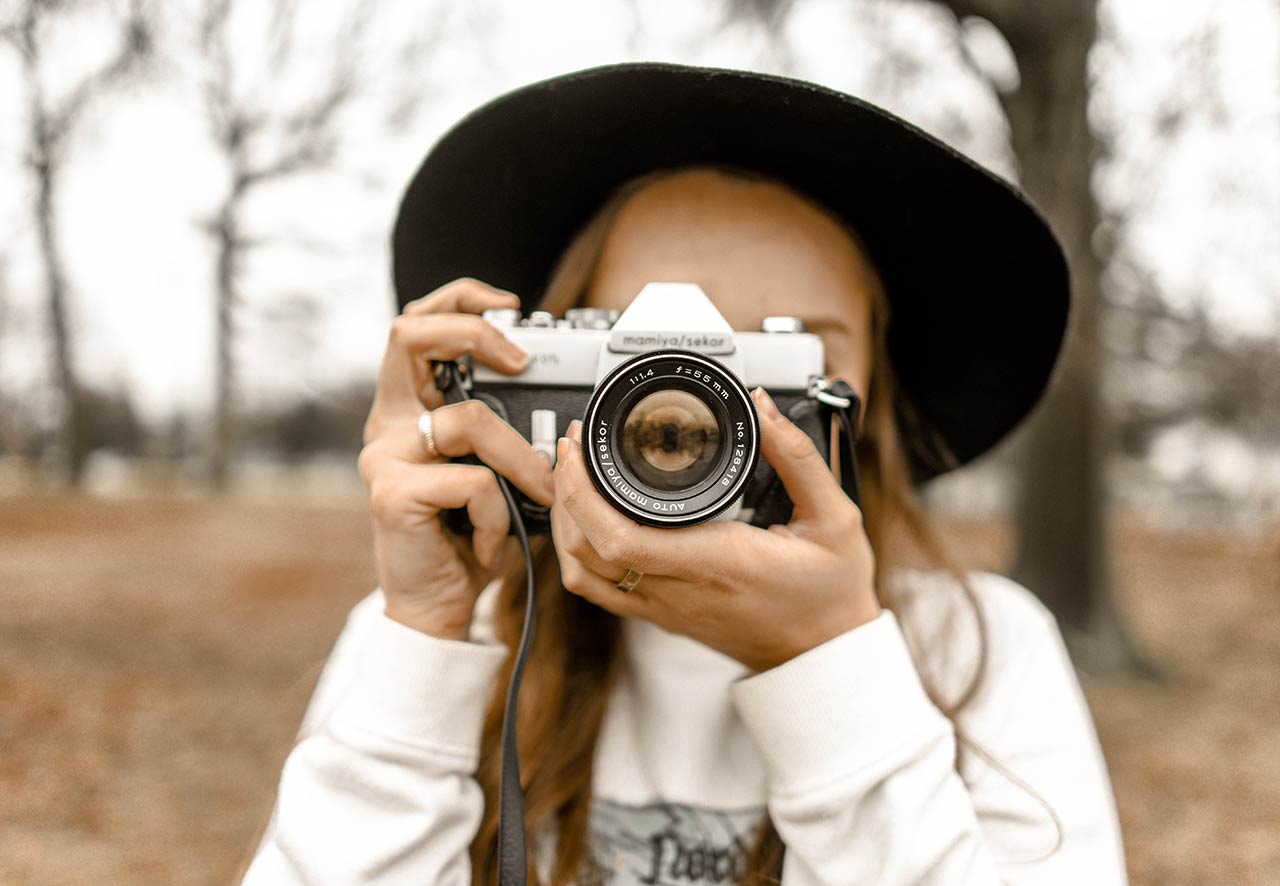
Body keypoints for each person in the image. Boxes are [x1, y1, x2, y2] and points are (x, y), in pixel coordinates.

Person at [240, 63, 1128, 885]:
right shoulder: (443, 636)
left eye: (780, 353)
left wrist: (830, 662)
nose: (707, 407)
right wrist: (422, 638)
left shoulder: (980, 648)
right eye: (643, 351)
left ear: (870, 403)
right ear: (543, 371)